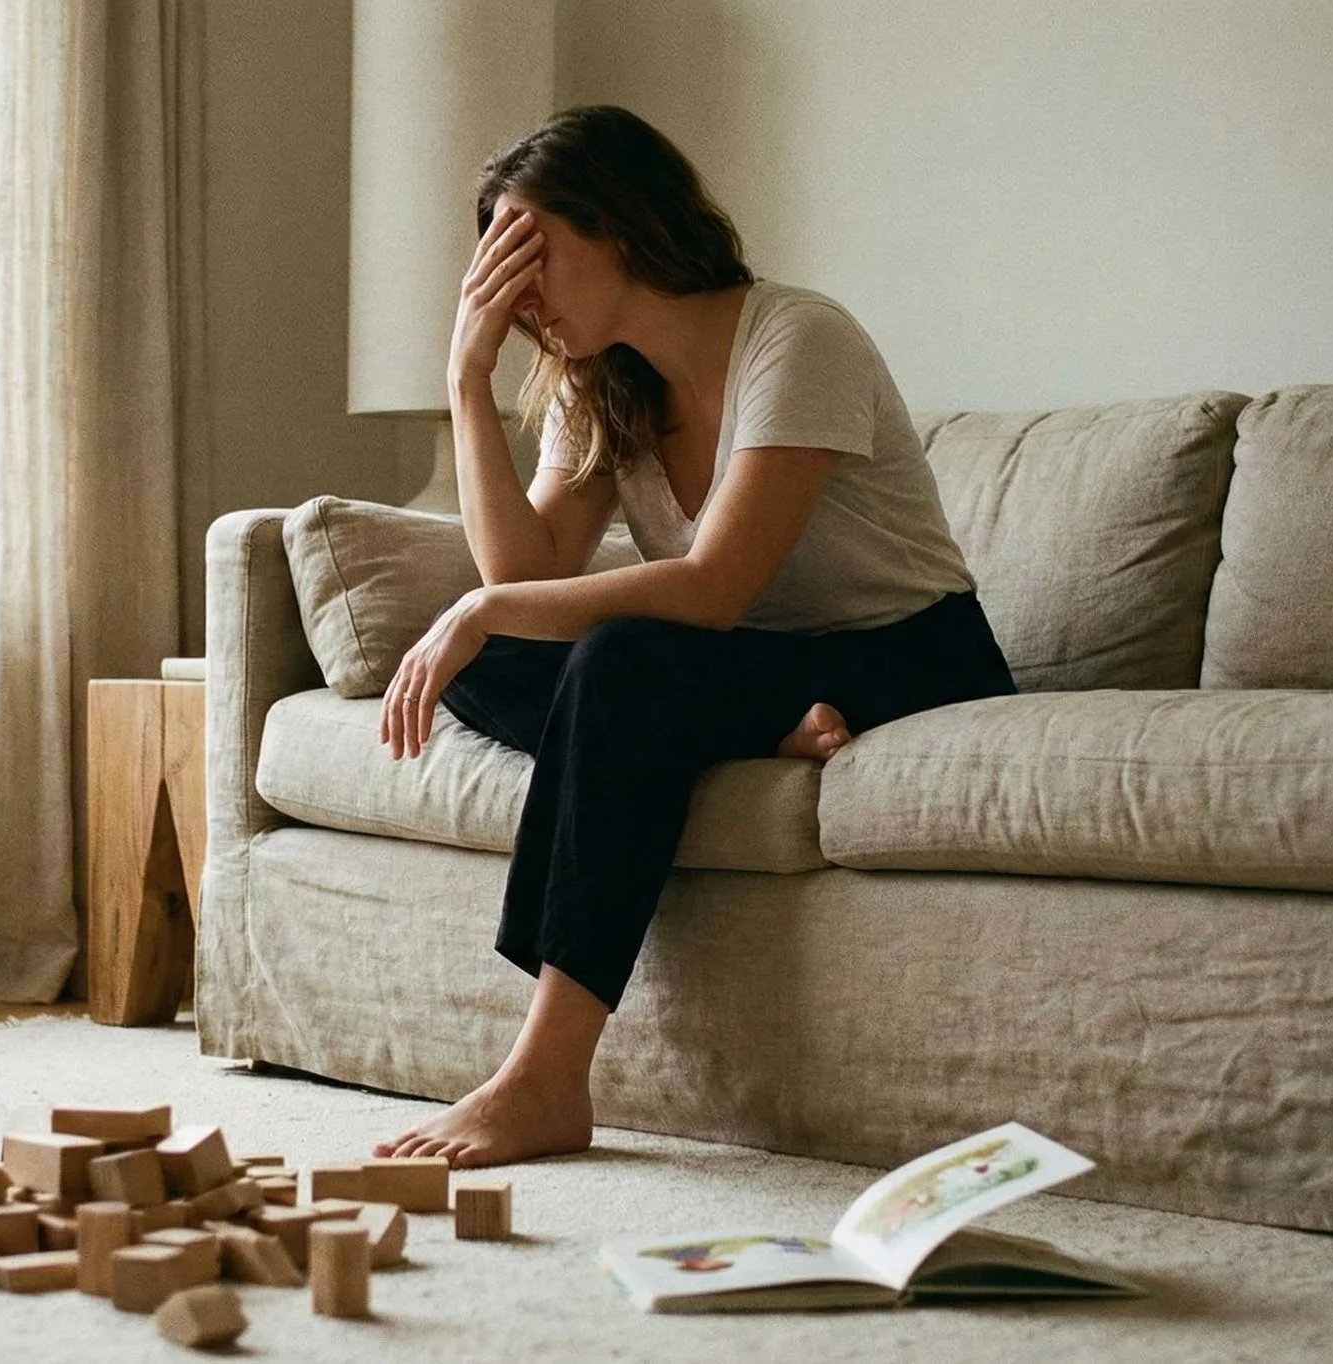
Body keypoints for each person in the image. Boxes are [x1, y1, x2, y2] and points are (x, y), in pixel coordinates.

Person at [369, 105, 1016, 1168]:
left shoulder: (798, 337)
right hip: (745, 669)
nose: (511, 289)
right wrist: (465, 386)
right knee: (497, 661)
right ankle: (750, 728)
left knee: (612, 663)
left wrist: (480, 611)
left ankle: (544, 1077)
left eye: (526, 249)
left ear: (615, 225)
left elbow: (712, 587)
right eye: (493, 263)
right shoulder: (603, 384)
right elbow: (522, 578)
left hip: (905, 654)